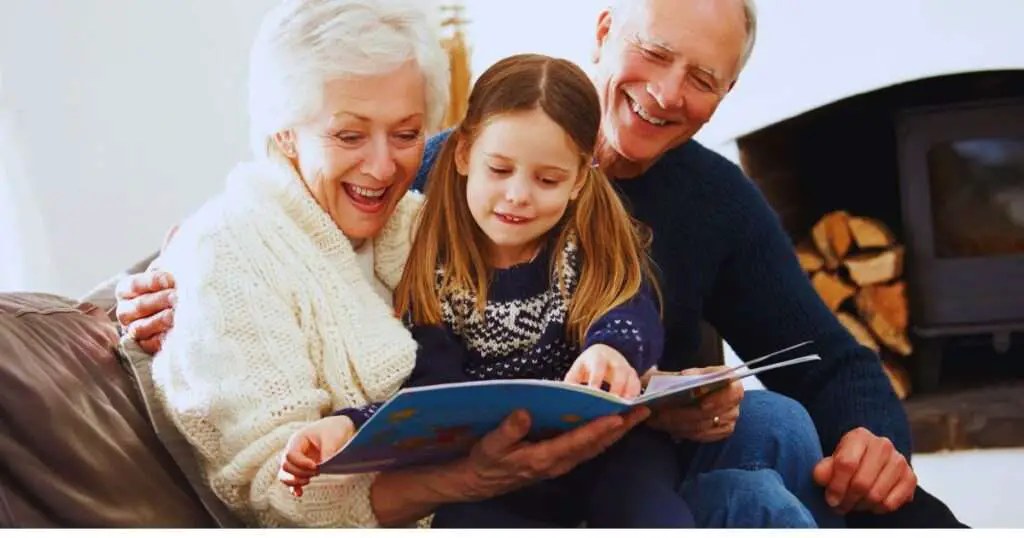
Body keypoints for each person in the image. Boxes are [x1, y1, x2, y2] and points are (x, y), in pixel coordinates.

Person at [116, 0, 967, 529]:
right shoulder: (442, 176)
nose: (669, 92)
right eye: (656, 53)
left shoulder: (715, 199)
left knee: (784, 426)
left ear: (726, 95)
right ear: (604, 30)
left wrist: (877, 442)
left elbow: (830, 356)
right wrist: (163, 279)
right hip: (499, 466)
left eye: (702, 78)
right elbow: (283, 214)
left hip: (637, 442)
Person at [135, 0, 656, 528]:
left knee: (739, 455)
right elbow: (279, 497)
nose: (384, 168)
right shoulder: (225, 253)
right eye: (349, 135)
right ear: (284, 131)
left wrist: (627, 361)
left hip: (555, 493)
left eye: (406, 134)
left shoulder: (420, 222)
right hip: (466, 512)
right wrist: (466, 479)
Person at [280, 53, 695, 529]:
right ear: (462, 156)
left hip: (613, 453)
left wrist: (611, 349)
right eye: (499, 170)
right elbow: (431, 392)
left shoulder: (584, 246)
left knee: (646, 508)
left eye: (547, 179)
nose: (518, 194)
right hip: (506, 471)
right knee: (463, 520)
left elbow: (630, 313)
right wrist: (352, 424)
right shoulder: (434, 269)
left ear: (579, 178)